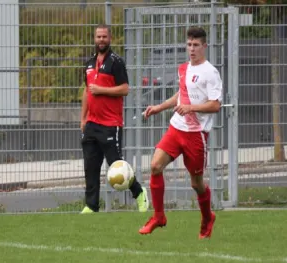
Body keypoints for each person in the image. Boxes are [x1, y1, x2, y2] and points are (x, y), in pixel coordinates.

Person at [138, 26, 223, 239]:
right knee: (155, 165)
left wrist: (191, 108)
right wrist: (159, 107)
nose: (192, 49)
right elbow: (181, 95)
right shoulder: (184, 68)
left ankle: (207, 218)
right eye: (189, 44)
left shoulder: (211, 72)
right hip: (177, 127)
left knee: (196, 183)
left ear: (204, 46)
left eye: (196, 45)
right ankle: (158, 217)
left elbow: (215, 105)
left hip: (196, 135)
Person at [80, 24, 149, 214]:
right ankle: (91, 206)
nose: (101, 40)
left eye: (104, 37)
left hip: (110, 124)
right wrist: (83, 118)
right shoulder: (88, 63)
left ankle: (139, 193)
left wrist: (101, 90)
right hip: (92, 123)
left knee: (117, 165)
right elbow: (87, 92)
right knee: (90, 166)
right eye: (98, 37)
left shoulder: (116, 62)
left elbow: (125, 89)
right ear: (94, 39)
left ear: (109, 39)